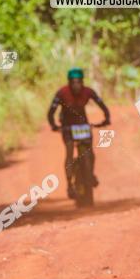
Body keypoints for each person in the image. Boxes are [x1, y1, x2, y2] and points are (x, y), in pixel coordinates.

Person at [47, 67, 111, 198]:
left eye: (78, 82)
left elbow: (103, 106)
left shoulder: (88, 92)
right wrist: (54, 125)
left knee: (90, 152)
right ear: (69, 82)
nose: (76, 85)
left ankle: (90, 173)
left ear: (82, 82)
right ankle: (69, 184)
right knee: (69, 153)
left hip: (83, 125)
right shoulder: (62, 93)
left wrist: (106, 119)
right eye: (73, 82)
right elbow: (51, 112)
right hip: (67, 127)